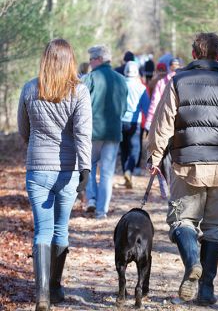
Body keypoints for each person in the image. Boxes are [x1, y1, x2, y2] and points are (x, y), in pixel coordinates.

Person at [146, 32, 218, 306]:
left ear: (194, 55)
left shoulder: (178, 82)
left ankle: (193, 262)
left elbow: (163, 123)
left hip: (186, 164)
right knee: (214, 228)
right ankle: (206, 289)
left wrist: (155, 156)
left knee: (181, 221)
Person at [17, 38, 92, 311]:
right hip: (68, 169)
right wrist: (85, 167)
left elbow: (23, 129)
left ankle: (42, 295)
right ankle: (56, 287)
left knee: (42, 230)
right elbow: (83, 133)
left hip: (37, 167)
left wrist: (36, 147)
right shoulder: (79, 92)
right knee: (60, 229)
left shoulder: (29, 88)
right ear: (70, 60)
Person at [83, 45, 128, 218]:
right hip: (113, 132)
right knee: (107, 172)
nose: (90, 63)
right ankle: (102, 211)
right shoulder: (121, 79)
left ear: (99, 59)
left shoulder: (90, 78)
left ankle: (92, 199)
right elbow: (124, 108)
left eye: (91, 60)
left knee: (89, 166)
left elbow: (81, 104)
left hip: (92, 132)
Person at [120, 61, 150, 188]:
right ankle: (129, 170)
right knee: (135, 150)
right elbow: (147, 107)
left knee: (123, 149)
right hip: (135, 122)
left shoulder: (120, 85)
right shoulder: (141, 87)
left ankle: (125, 172)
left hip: (120, 121)